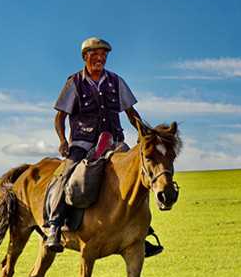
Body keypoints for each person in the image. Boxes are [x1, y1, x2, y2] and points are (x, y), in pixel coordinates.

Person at [45, 37, 162, 256]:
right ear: (85, 57)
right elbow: (59, 117)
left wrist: (142, 132)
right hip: (83, 142)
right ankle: (54, 226)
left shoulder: (116, 81)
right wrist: (62, 140)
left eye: (104, 55)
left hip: (114, 141)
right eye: (95, 54)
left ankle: (142, 232)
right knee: (66, 175)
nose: (100, 59)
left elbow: (130, 112)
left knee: (138, 173)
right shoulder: (74, 82)